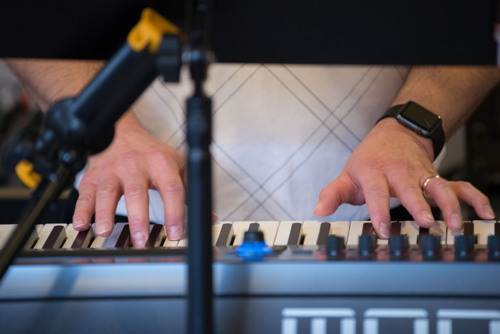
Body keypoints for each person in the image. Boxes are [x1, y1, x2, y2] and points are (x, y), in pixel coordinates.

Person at [5, 58, 499, 247]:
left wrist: (412, 127)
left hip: (385, 205)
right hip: (130, 209)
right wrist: (103, 126)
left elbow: (484, 21)